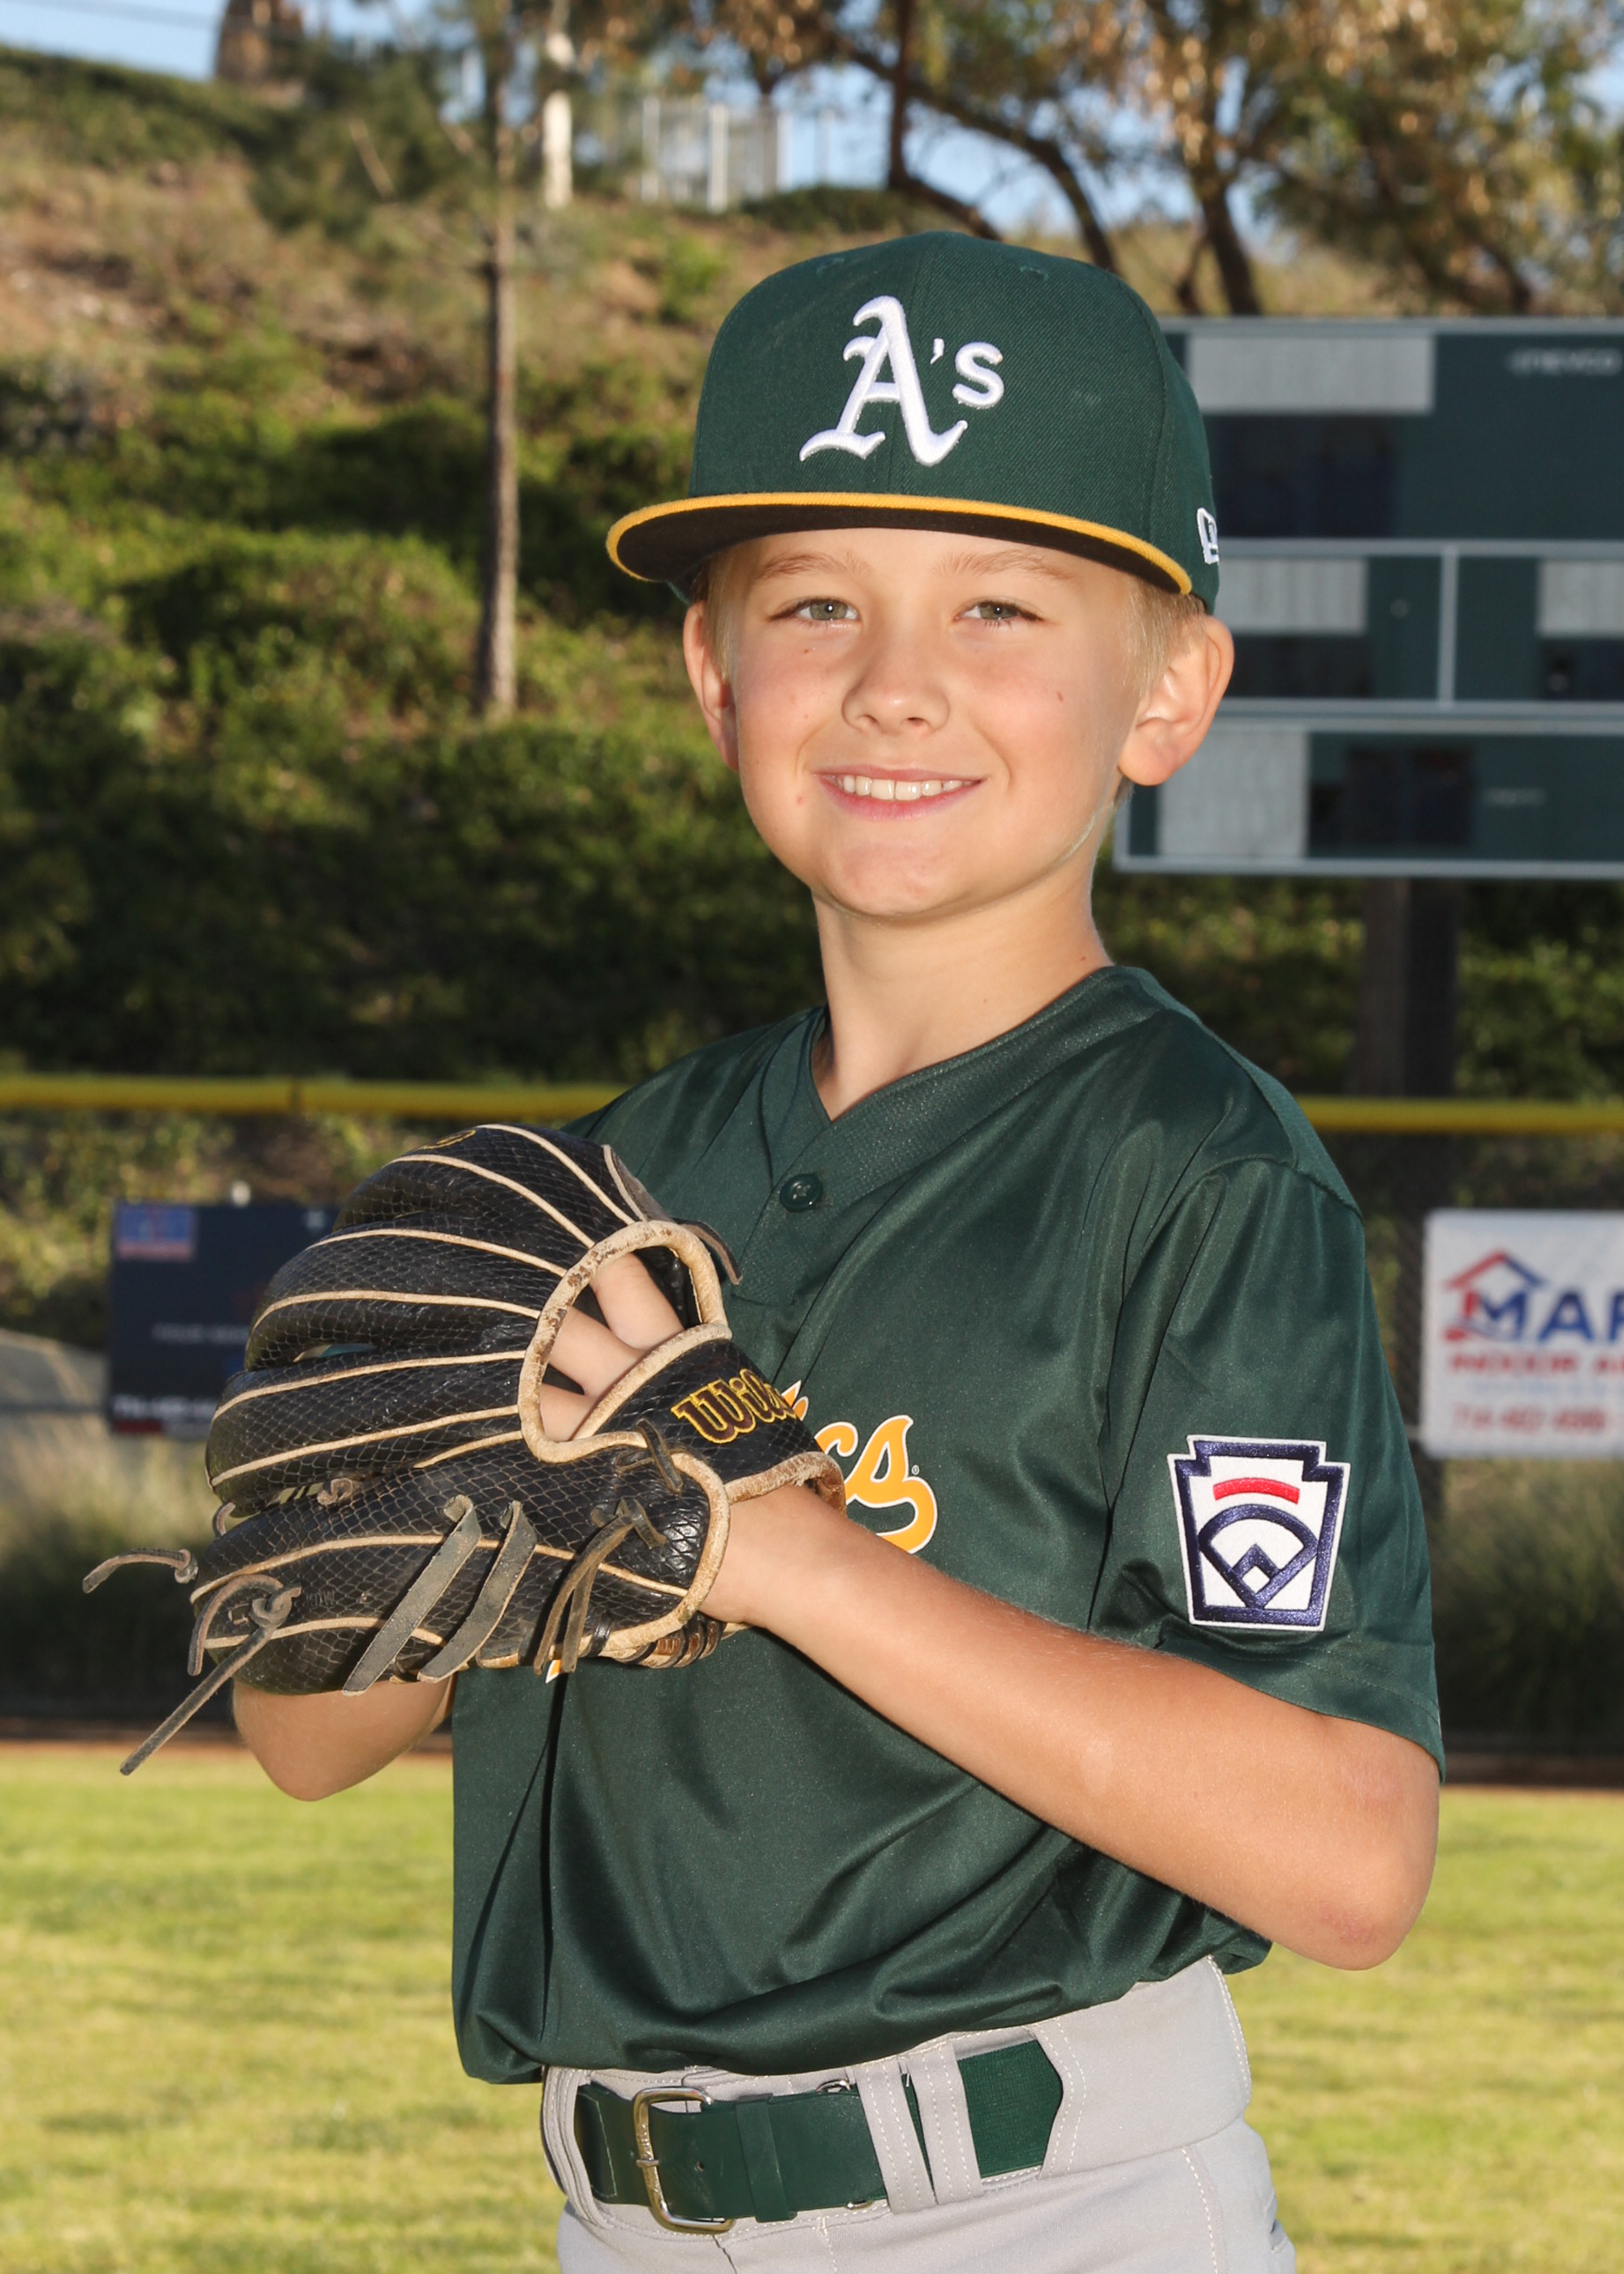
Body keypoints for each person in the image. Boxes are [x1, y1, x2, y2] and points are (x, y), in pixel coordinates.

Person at [236, 236, 1441, 2272]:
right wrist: (472, 1514)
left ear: (1167, 689)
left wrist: (784, 1554)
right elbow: (298, 1738)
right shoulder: (607, 1179)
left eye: (997, 605)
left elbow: (1346, 1850)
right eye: (815, 602)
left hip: (1046, 2206)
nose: (894, 679)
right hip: (624, 2212)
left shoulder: (1196, 1174)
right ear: (715, 673)